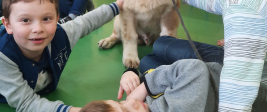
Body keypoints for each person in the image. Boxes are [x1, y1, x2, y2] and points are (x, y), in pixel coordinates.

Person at [0, 0, 123, 112]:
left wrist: (118, 6)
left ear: (57, 18)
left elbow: (86, 22)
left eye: (46, 18)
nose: (38, 29)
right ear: (8, 25)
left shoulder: (61, 33)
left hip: (10, 37)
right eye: (26, 20)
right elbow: (26, 102)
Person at [79, 59, 222, 112]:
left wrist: (130, 73)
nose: (132, 102)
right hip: (219, 73)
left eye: (120, 103)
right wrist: (144, 86)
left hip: (198, 81)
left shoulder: (143, 107)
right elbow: (194, 68)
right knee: (161, 46)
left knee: (148, 61)